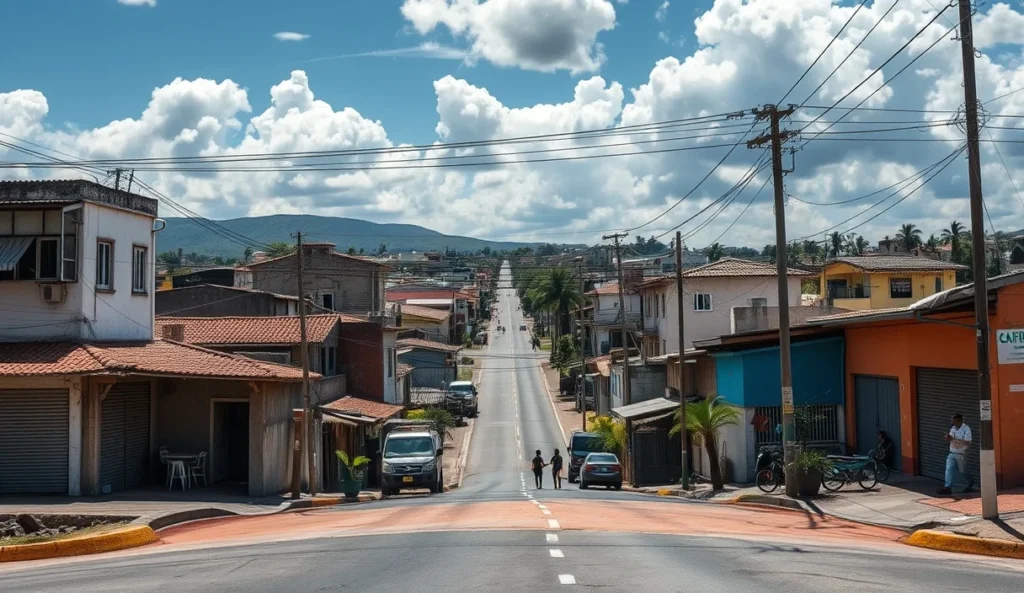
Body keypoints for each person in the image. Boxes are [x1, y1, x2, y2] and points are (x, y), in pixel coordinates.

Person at [938, 414, 973, 495]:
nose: (952, 423)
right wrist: (948, 437)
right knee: (949, 469)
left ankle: (971, 482)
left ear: (959, 421)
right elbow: (951, 439)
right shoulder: (953, 428)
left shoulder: (966, 429)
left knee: (963, 471)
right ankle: (947, 487)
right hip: (952, 452)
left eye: (954, 421)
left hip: (961, 454)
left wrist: (955, 439)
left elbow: (968, 443)